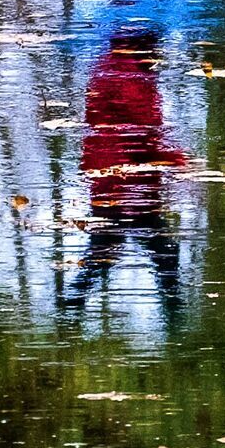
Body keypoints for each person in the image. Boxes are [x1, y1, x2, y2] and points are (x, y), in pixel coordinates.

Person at [61, 26, 186, 313]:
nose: (159, 50)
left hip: (107, 175)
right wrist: (172, 158)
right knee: (161, 250)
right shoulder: (133, 77)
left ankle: (71, 307)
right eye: (156, 43)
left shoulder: (106, 66)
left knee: (107, 247)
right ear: (144, 41)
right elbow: (139, 130)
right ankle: (175, 316)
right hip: (130, 179)